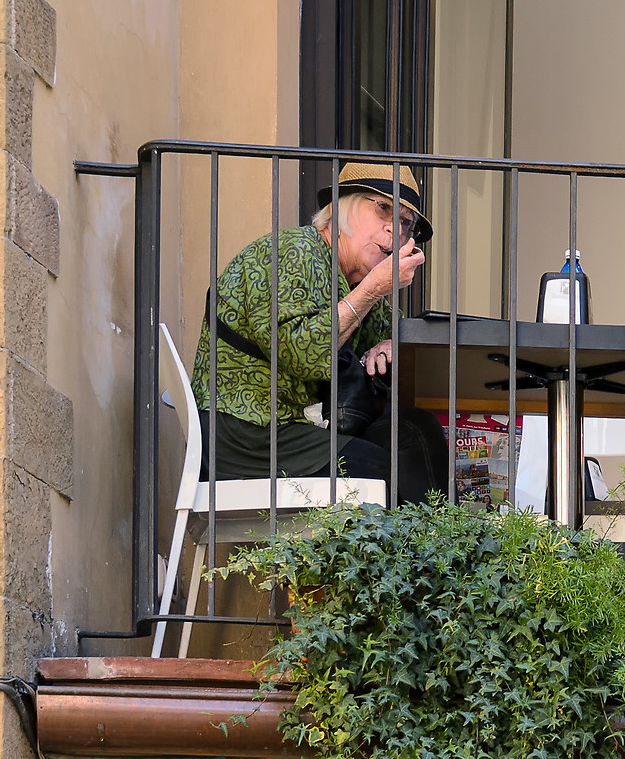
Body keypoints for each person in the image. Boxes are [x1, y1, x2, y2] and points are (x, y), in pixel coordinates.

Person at [190, 161, 448, 503]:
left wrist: (391, 344)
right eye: (384, 209)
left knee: (416, 432)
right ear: (343, 206)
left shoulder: (357, 280)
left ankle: (441, 549)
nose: (394, 231)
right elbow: (300, 354)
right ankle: (402, 556)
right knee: (379, 472)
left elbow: (393, 336)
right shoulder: (292, 251)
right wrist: (371, 289)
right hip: (245, 431)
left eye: (405, 223)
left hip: (299, 429)